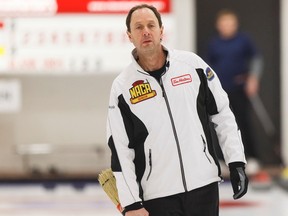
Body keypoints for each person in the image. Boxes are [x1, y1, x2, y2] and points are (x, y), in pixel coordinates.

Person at [107, 4, 248, 216]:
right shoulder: (122, 88)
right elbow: (120, 149)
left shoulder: (193, 66)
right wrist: (131, 203)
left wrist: (236, 161)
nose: (146, 31)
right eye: (138, 27)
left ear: (161, 31)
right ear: (129, 36)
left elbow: (222, 113)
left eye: (151, 25)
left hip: (204, 186)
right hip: (158, 196)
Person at [205, 9, 263, 175]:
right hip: (220, 91)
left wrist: (253, 78)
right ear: (218, 25)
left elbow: (256, 59)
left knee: (242, 122)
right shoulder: (214, 43)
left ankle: (251, 158)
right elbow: (207, 66)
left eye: (230, 23)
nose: (227, 26)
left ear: (235, 24)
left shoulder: (244, 40)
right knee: (220, 124)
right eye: (224, 23)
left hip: (239, 88)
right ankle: (223, 160)